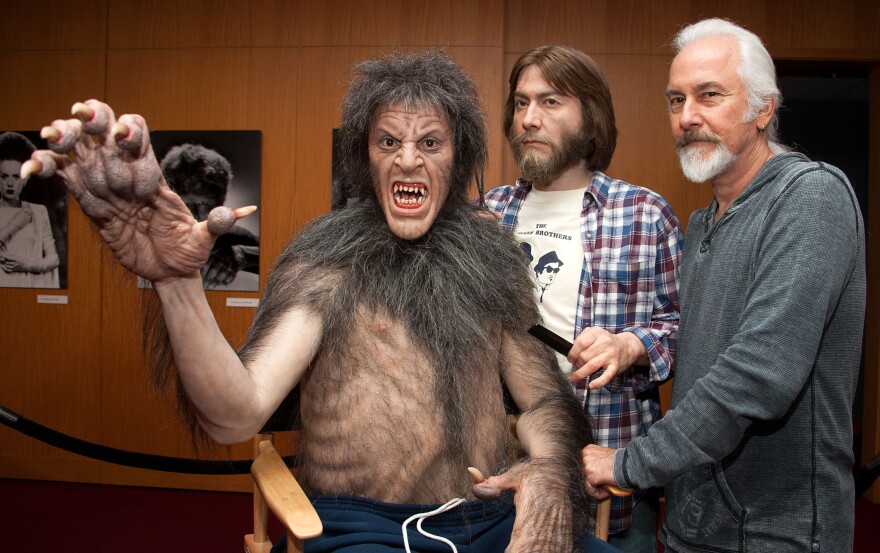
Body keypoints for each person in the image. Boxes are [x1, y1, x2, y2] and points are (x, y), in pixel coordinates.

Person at [26, 51, 617, 552]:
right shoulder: (326, 261)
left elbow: (543, 399)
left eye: (430, 142)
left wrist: (547, 470)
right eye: (389, 140)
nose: (408, 158)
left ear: (456, 159)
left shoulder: (493, 260)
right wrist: (177, 284)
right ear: (365, 158)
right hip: (359, 527)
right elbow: (236, 413)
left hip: (484, 518)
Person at [582, 18, 866, 552]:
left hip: (775, 535)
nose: (687, 117)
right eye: (675, 100)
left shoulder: (811, 198)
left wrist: (630, 462)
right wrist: (630, 344)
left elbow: (759, 375)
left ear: (764, 108)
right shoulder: (702, 223)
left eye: (709, 95)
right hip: (693, 525)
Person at [483, 45, 682, 552]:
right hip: (503, 472)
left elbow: (684, 328)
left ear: (589, 115)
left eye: (550, 102)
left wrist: (629, 346)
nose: (529, 118)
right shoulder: (486, 214)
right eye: (522, 103)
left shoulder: (644, 214)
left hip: (612, 480)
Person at [160, 143, 259, 290]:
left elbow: (278, 256)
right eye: (184, 205)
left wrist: (241, 255)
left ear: (219, 205)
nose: (192, 216)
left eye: (203, 205)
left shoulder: (237, 237)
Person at [0, 131, 60, 288]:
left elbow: (53, 259)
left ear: (25, 179)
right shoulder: (22, 216)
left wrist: (26, 265)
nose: (10, 183)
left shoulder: (38, 212)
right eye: (4, 176)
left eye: (16, 176)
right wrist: (16, 223)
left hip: (28, 287)